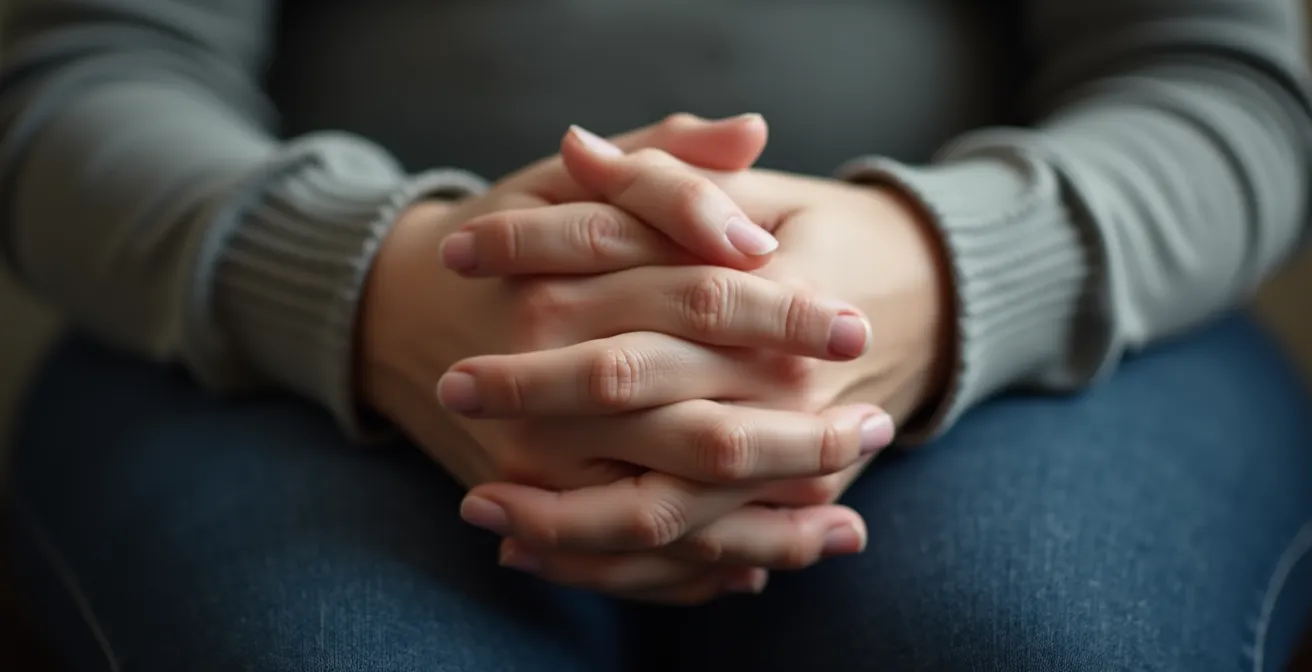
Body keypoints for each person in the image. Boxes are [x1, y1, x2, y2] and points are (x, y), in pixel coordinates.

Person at [2, 0, 1311, 669]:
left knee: (1028, 643)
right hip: (296, 351)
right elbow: (78, 89)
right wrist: (380, 292)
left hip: (1033, 340)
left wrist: (935, 275)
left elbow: (1229, 89)